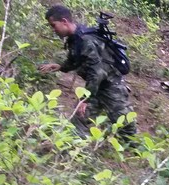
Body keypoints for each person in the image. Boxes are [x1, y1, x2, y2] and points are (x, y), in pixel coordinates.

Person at [39, 5, 137, 140]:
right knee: (80, 119)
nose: (53, 29)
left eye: (53, 25)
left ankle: (133, 151)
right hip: (95, 87)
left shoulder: (86, 40)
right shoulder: (76, 39)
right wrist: (60, 66)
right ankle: (76, 150)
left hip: (111, 87)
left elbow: (97, 73)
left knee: (127, 127)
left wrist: (85, 99)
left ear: (64, 21)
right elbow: (76, 61)